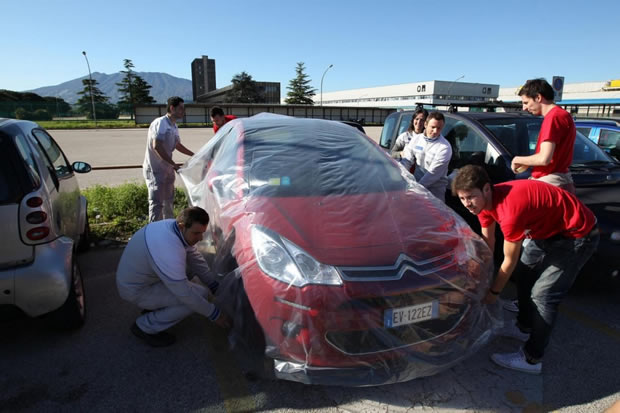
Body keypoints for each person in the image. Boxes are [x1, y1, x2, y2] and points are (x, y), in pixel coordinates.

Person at [451, 165, 599, 374]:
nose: (467, 204)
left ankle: (532, 358)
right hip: (546, 230)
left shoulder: (510, 212)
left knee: (543, 296)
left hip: (577, 235)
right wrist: (480, 274)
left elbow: (508, 260)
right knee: (524, 274)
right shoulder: (483, 205)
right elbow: (488, 242)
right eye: (462, 198)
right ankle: (524, 327)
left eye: (470, 197)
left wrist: (493, 293)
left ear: (486, 189)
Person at [116, 206, 232, 347]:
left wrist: (213, 285)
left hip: (143, 279)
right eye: (196, 233)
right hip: (137, 290)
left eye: (202, 233)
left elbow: (195, 258)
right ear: (182, 226)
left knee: (200, 292)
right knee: (193, 301)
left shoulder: (173, 227)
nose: (200, 238)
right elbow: (185, 294)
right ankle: (144, 326)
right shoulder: (168, 250)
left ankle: (155, 308)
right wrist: (215, 314)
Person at [511, 78, 576, 193]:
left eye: (526, 102)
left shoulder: (553, 117)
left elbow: (544, 159)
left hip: (549, 181)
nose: (524, 108)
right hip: (562, 179)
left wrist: (518, 159)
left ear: (538, 98)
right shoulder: (564, 115)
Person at [143, 96, 195, 222]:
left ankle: (168, 227)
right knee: (157, 203)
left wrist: (194, 155)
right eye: (181, 108)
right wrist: (174, 164)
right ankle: (154, 231)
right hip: (155, 169)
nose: (183, 111)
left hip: (167, 168)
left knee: (168, 201)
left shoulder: (174, 126)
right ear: (172, 108)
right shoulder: (161, 123)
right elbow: (157, 146)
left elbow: (177, 145)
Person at [400, 111, 453, 201]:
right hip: (416, 187)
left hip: (435, 193)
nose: (435, 131)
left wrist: (416, 189)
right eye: (433, 127)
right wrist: (401, 176)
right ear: (425, 124)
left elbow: (433, 174)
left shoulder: (444, 147)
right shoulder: (416, 139)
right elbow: (407, 161)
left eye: (439, 128)